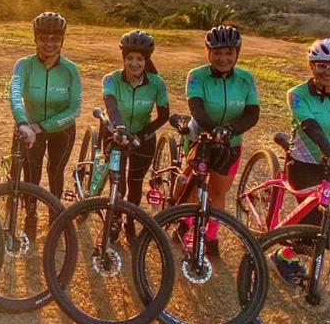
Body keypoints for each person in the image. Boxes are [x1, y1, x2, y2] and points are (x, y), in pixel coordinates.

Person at [273, 38, 330, 281]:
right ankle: (281, 255)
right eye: (322, 66)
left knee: (317, 225)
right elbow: (311, 127)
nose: (328, 72)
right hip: (303, 164)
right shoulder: (297, 94)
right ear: (311, 65)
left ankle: (286, 253)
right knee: (316, 224)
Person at [184, 24, 260, 257]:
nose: (223, 58)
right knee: (192, 187)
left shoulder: (246, 79)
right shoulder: (196, 76)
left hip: (231, 144)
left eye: (229, 52)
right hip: (200, 139)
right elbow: (197, 109)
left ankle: (210, 236)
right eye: (217, 52)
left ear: (237, 53)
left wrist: (230, 130)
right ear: (208, 52)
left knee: (218, 192)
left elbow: (252, 114)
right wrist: (214, 129)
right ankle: (187, 224)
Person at [10, 12, 82, 213]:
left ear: (62, 40)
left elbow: (75, 108)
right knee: (31, 172)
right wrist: (22, 122)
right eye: (43, 38)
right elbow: (15, 94)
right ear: (35, 39)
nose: (49, 44)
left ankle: (56, 214)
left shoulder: (70, 69)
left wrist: (42, 126)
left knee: (56, 172)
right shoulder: (24, 65)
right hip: (29, 126)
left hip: (62, 129)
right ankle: (30, 210)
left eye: (55, 39)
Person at [102, 31, 170, 243]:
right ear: (123, 58)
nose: (134, 63)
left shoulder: (157, 83)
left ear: (147, 60)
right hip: (116, 135)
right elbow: (111, 106)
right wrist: (121, 128)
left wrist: (140, 135)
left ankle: (130, 221)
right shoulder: (111, 79)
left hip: (144, 137)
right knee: (118, 184)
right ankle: (115, 219)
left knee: (135, 183)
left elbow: (163, 116)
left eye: (139, 59)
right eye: (129, 58)